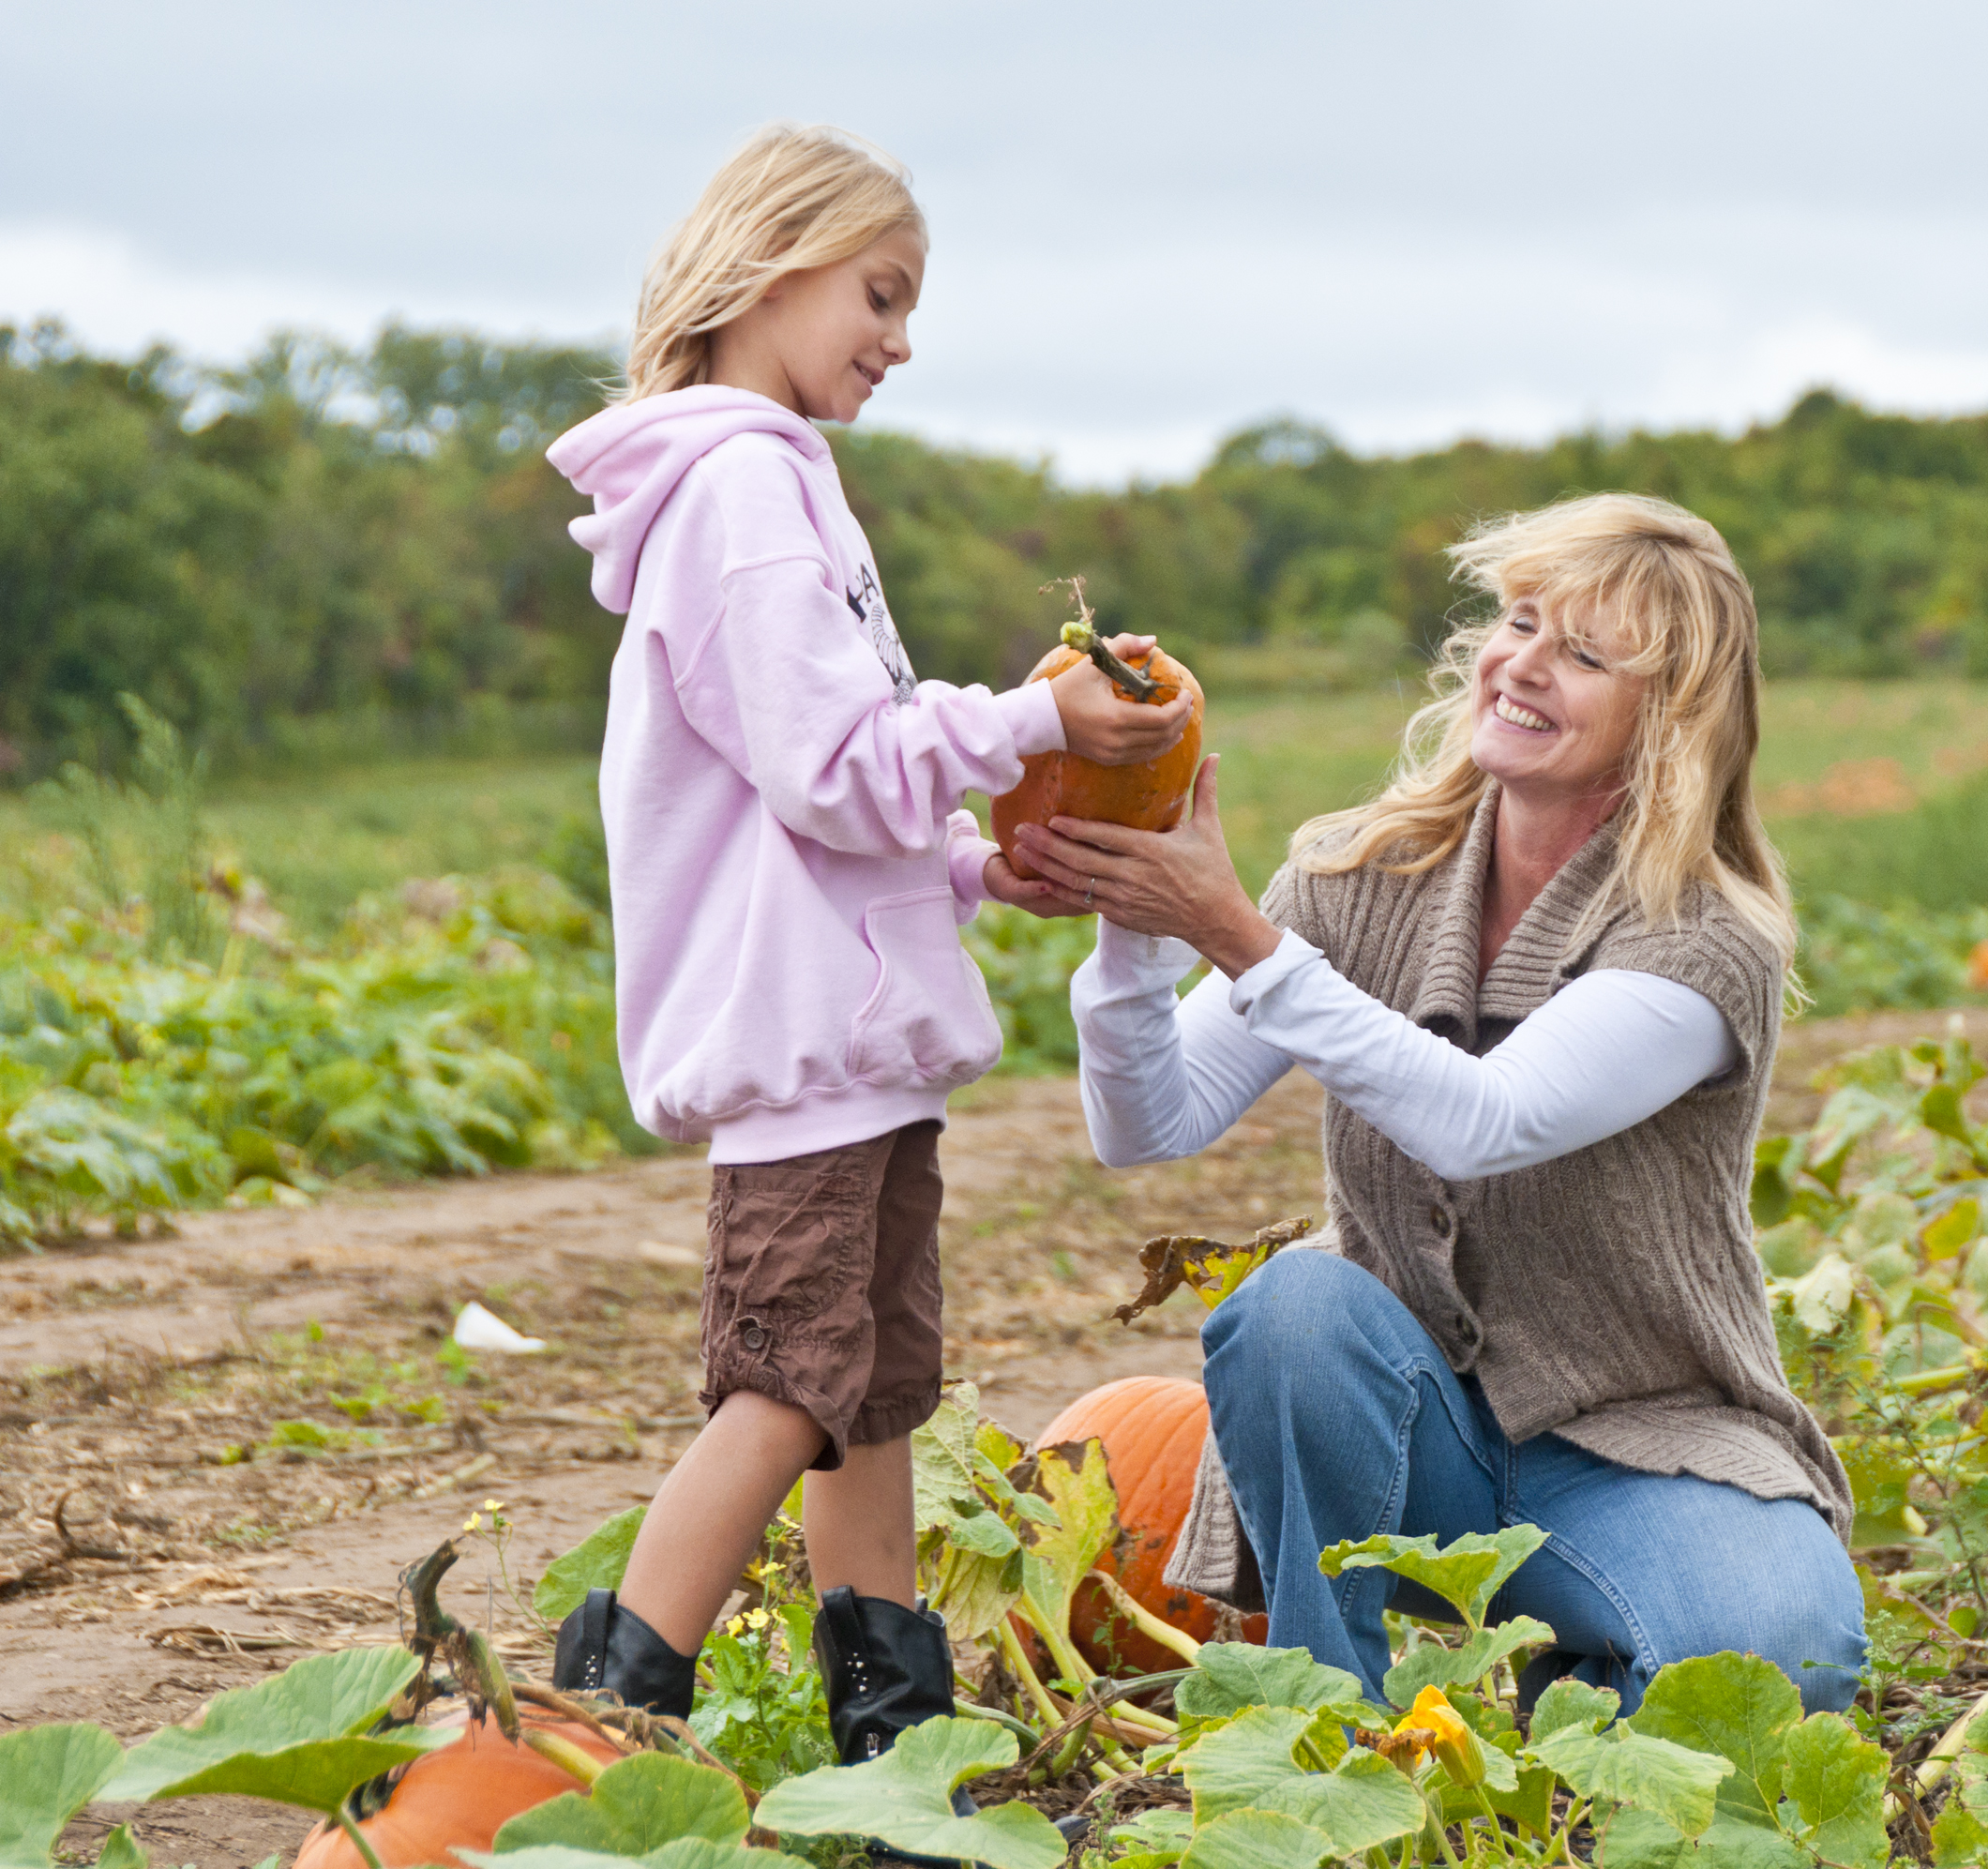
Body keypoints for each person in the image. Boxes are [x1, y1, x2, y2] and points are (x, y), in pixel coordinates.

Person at [539, 123, 1187, 1764]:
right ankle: (588, 1724)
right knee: (788, 1381)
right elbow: (830, 766)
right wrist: (1036, 712)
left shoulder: (778, 481)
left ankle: (893, 1754)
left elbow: (822, 790)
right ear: (774, 261)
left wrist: (971, 872)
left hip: (854, 1026)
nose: (900, 341)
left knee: (872, 1391)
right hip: (801, 1038)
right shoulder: (742, 487)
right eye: (882, 296)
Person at [1014, 493, 1865, 1714]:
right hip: (1412, 1437)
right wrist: (1133, 907)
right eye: (1519, 622)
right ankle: (1325, 1727)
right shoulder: (1359, 879)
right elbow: (1148, 1121)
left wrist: (1240, 936)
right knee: (1294, 1305)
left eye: (1581, 652)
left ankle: (1583, 1681)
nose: (1522, 663)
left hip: (1641, 1449)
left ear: (1664, 719)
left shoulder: (1700, 938)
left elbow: (1487, 1115)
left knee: (1791, 1657)